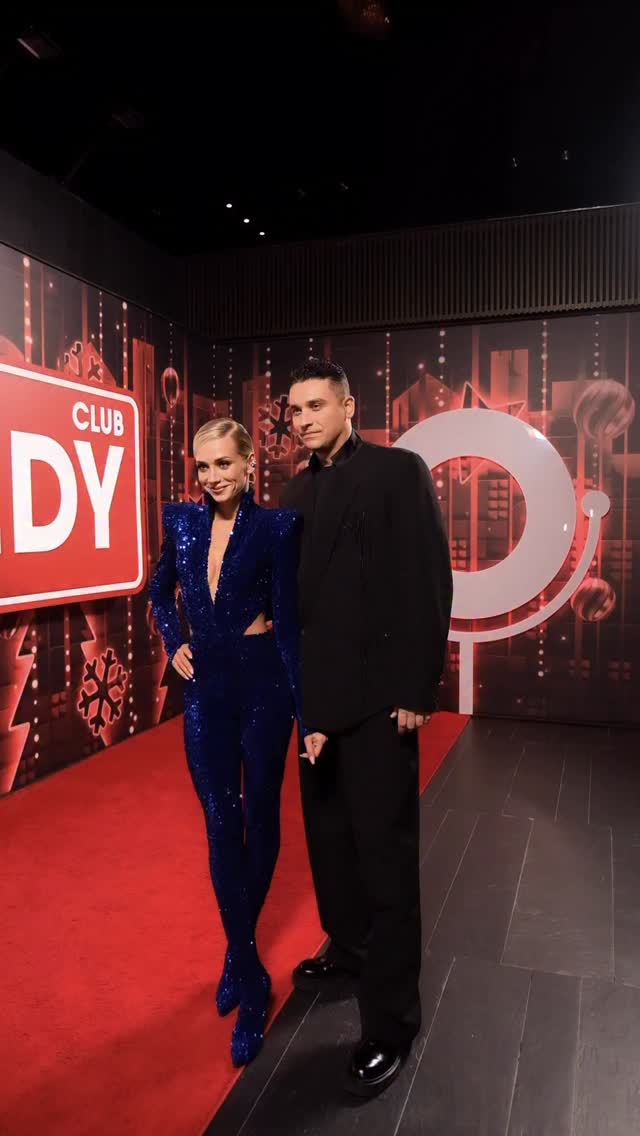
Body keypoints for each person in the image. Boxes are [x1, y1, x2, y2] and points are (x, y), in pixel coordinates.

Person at [282, 358, 453, 1097]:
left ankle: (391, 1025)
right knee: (330, 845)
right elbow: (297, 604)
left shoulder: (397, 471)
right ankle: (350, 951)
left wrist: (418, 686)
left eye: (316, 405)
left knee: (385, 863)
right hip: (319, 704)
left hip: (383, 701)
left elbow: (428, 579)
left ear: (349, 406)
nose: (303, 420)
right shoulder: (294, 490)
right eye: (294, 410)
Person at [149, 418, 305, 1067]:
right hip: (205, 687)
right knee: (220, 820)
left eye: (223, 464)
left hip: (263, 683)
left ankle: (237, 957)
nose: (212, 476)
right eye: (203, 466)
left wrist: (309, 715)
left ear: (248, 465)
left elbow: (290, 623)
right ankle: (250, 969)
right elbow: (159, 591)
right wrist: (172, 643)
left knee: (260, 816)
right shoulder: (182, 523)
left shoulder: (277, 529)